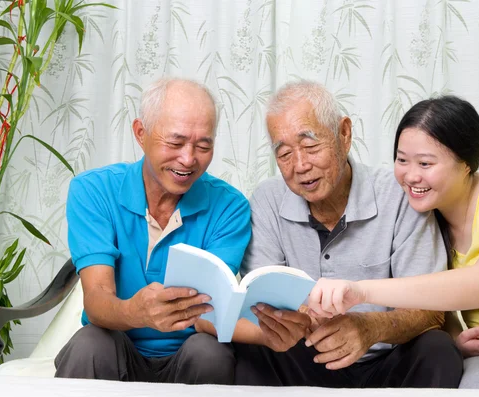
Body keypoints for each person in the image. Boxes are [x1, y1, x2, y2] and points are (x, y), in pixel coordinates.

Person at [196, 80, 463, 388]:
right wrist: (299, 317)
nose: (300, 165)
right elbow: (262, 299)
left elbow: (430, 311)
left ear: (344, 134)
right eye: (284, 154)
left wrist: (369, 328)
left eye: (311, 146)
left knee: (438, 350)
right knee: (249, 352)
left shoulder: (399, 195)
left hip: (386, 357)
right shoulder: (268, 199)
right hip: (305, 358)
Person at [308, 95, 479, 392]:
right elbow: (441, 296)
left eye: (426, 163)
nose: (411, 175)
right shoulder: (426, 215)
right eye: (402, 160)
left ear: (467, 163)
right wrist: (458, 336)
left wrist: (361, 290)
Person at [54, 78, 251, 383]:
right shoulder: (93, 190)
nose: (188, 159)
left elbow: (208, 313)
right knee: (91, 343)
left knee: (210, 352)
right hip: (115, 346)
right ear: (140, 133)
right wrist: (136, 312)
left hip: (190, 353)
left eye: (203, 145)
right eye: (175, 142)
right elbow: (96, 299)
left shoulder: (230, 206)